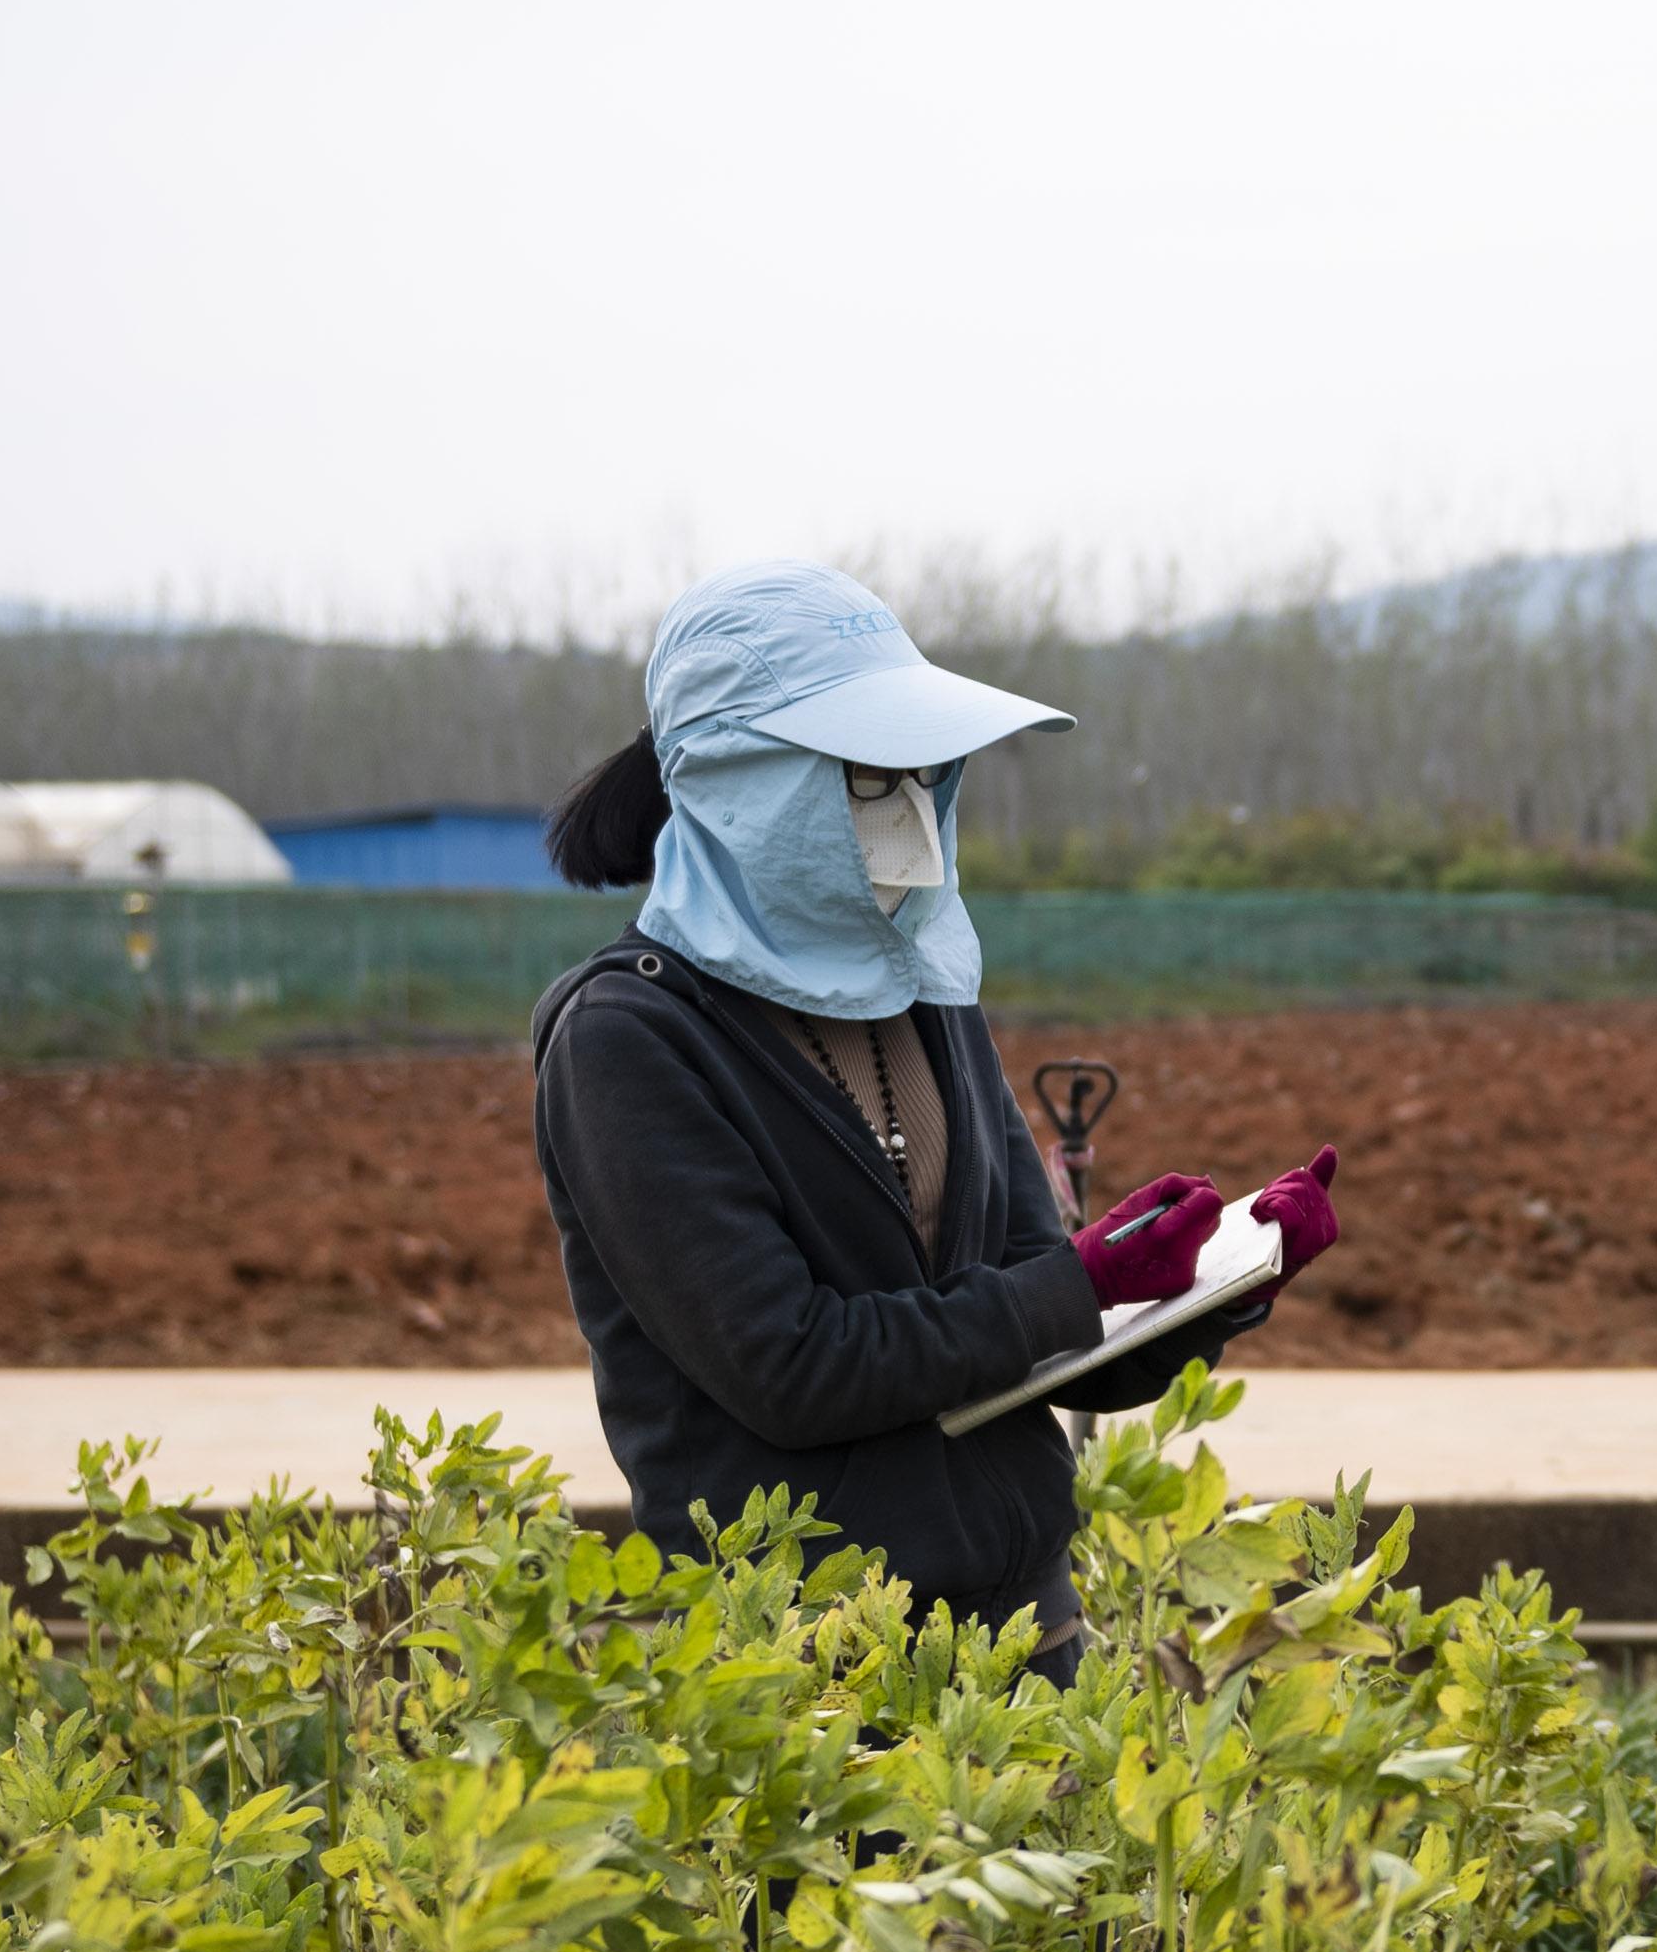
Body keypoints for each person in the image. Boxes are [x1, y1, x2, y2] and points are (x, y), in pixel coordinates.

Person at [530, 561, 1340, 1674]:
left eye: (923, 774)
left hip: (1024, 1633)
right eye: (868, 778)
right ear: (738, 784)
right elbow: (793, 1365)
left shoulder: (922, 986)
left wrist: (1208, 1289)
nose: (910, 815)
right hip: (807, 1674)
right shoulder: (628, 1038)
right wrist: (1080, 1282)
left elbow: (1027, 1320)